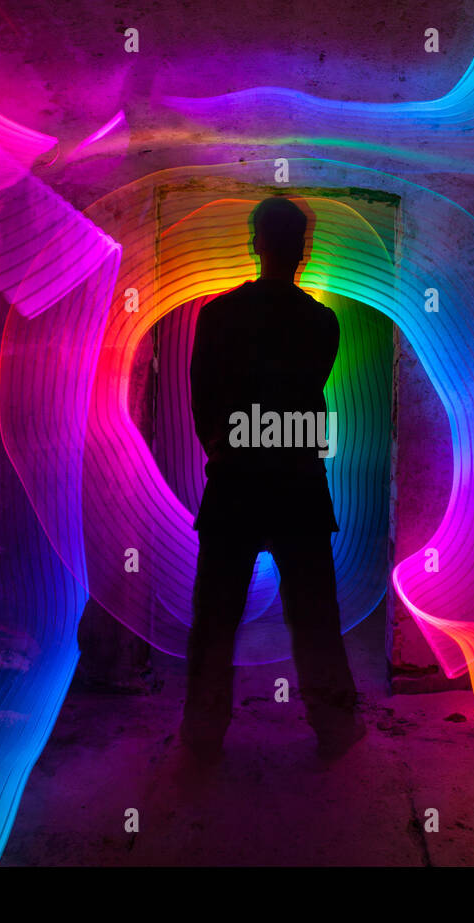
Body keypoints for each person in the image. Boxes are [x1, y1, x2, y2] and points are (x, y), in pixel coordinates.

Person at [181, 196, 365, 764]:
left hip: (237, 482)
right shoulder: (320, 322)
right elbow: (306, 389)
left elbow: (204, 404)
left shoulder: (217, 316)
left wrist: (227, 451)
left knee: (215, 614)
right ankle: (335, 728)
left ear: (255, 242)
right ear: (301, 248)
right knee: (314, 613)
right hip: (296, 485)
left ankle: (203, 733)